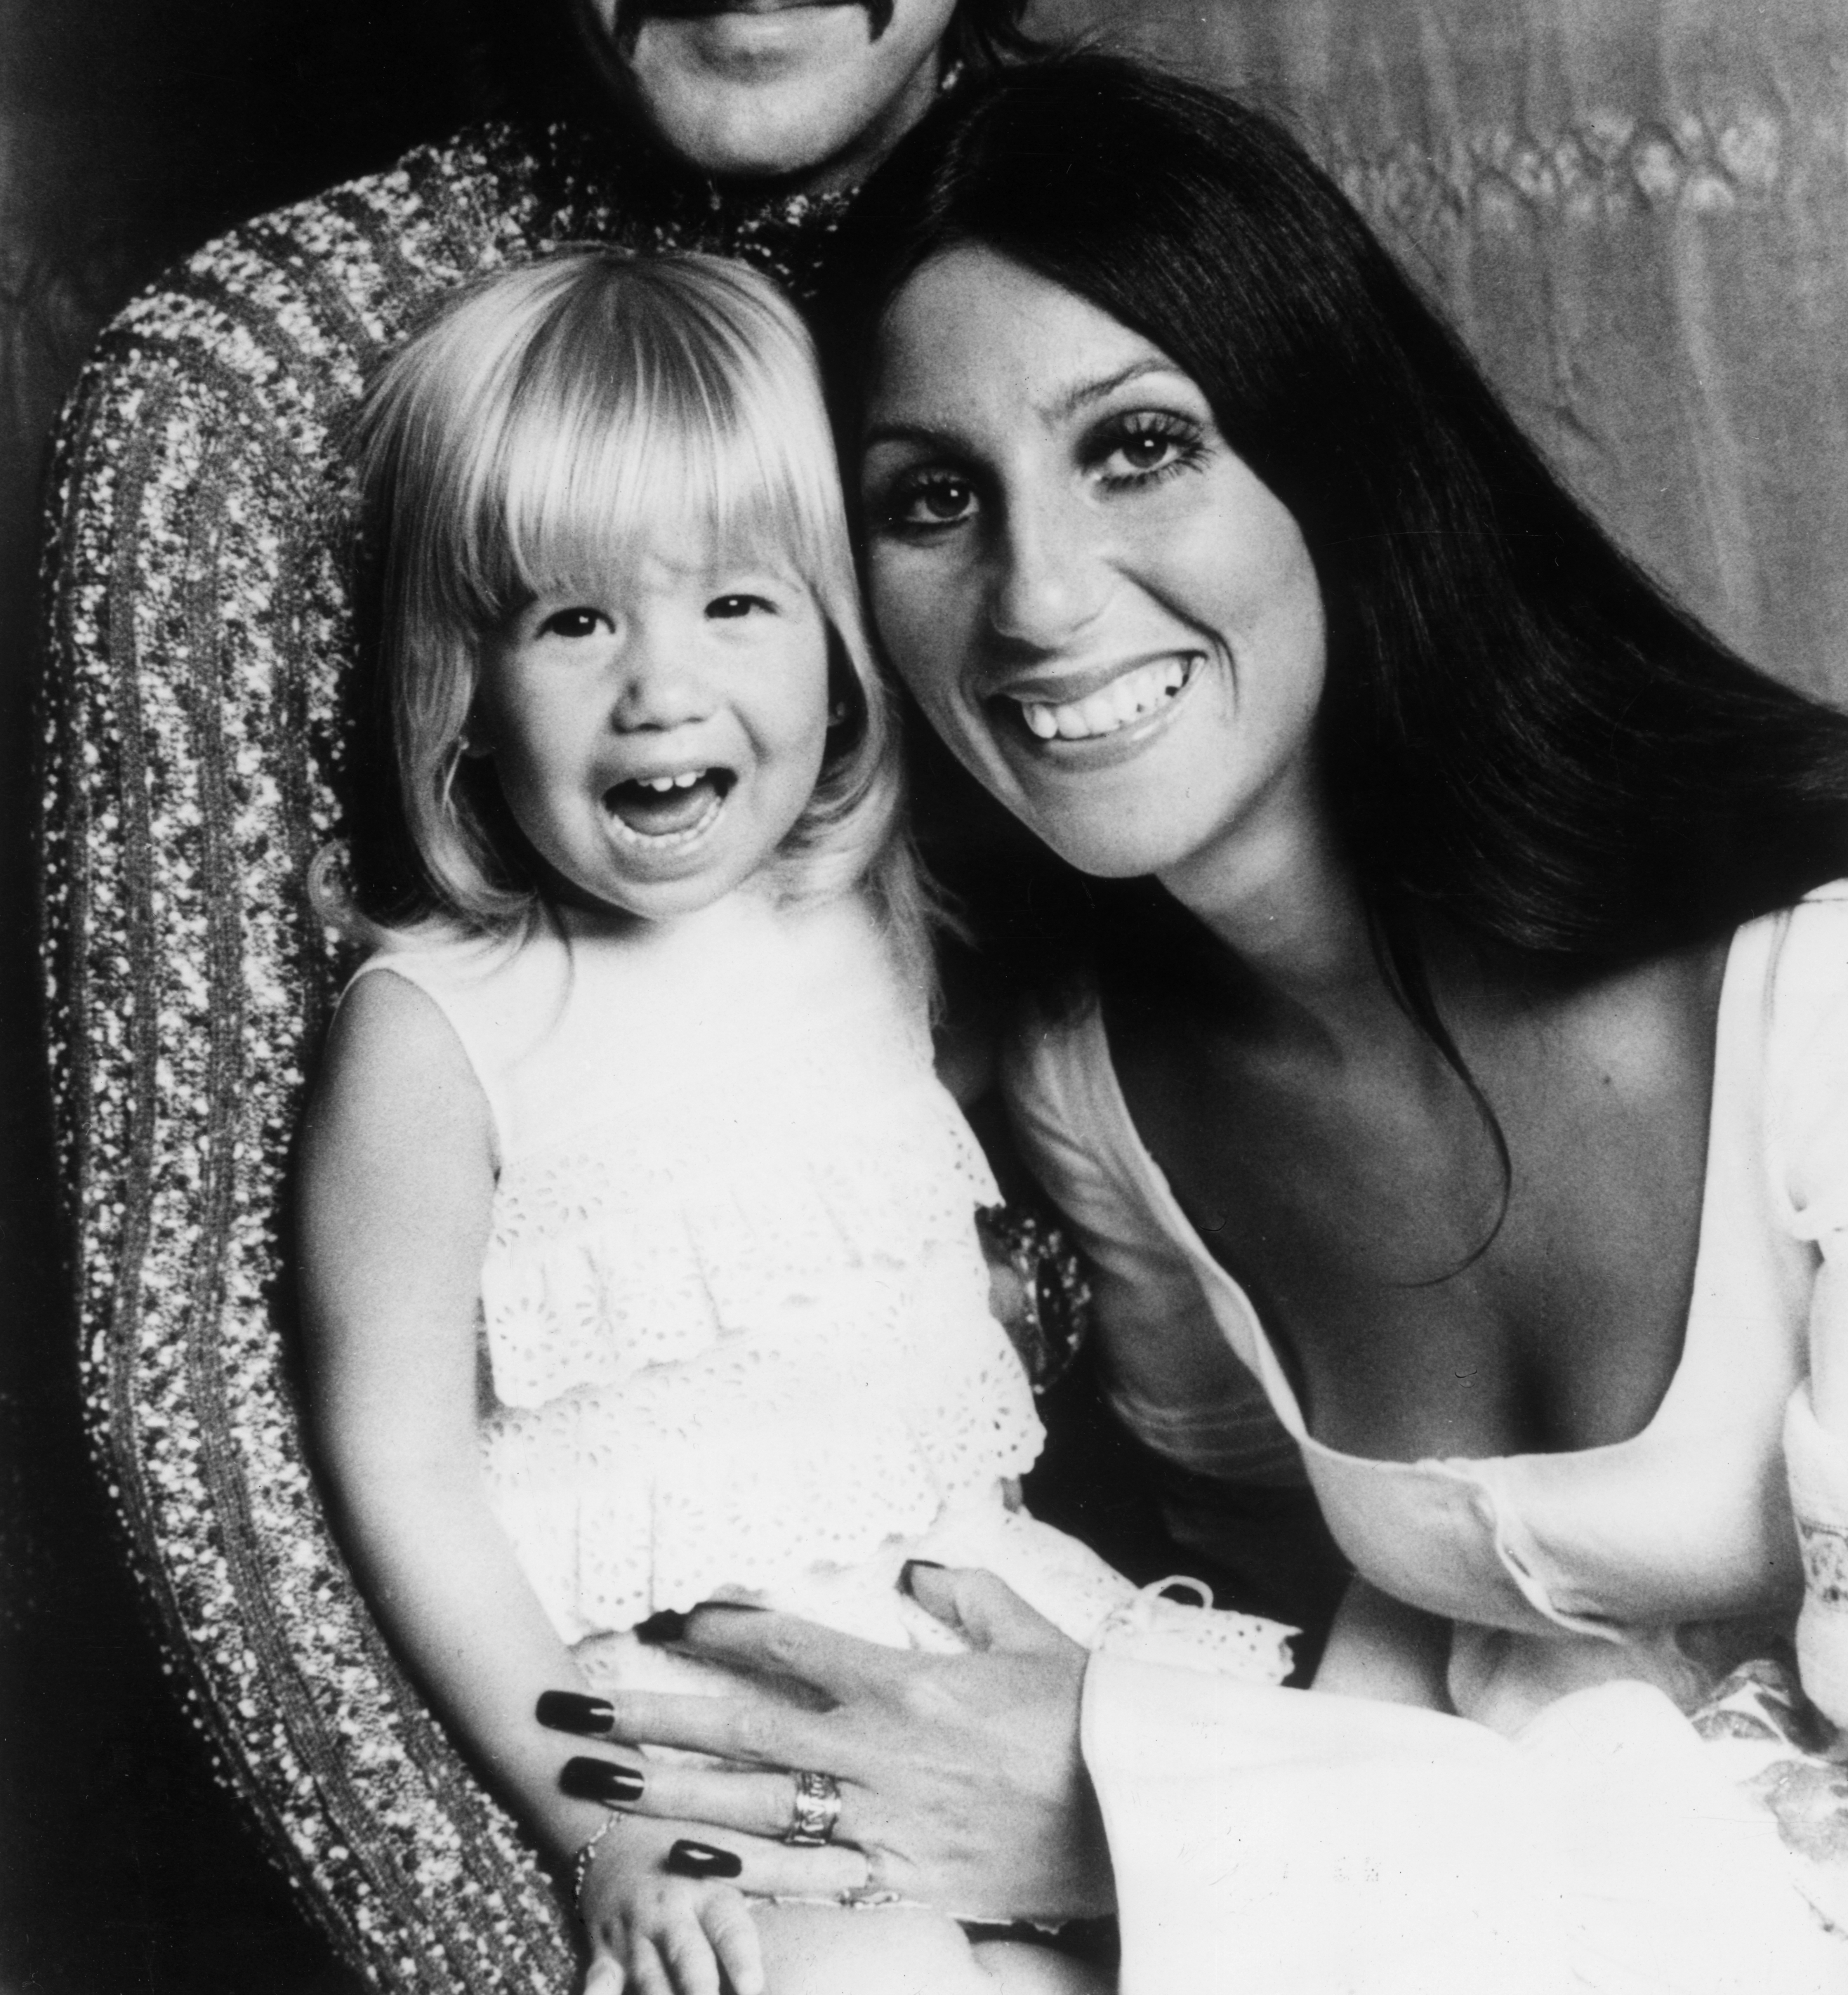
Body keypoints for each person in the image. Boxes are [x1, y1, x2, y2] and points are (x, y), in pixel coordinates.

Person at [39, 0, 1079, 1975]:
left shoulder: (1113, 290)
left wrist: (1196, 1802)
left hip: (1100, 1689)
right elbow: (217, 1395)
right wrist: (562, 1932)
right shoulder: (256, 387)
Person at [549, 55, 1848, 1993]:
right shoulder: (1104, 1086)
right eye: (932, 501)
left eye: (1140, 445)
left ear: (1340, 461)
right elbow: (1283, 1612)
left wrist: (1134, 1815)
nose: (1044, 599)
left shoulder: (1817, 982)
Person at [296, 243, 1293, 1995]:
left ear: (840, 651)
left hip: (976, 1624)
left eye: (734, 603)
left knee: (1273, 1910)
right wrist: (591, 1815)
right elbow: (399, 1465)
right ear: (463, 684)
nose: (659, 687)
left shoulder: (864, 912)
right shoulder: (442, 1025)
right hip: (713, 1732)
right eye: (573, 616)